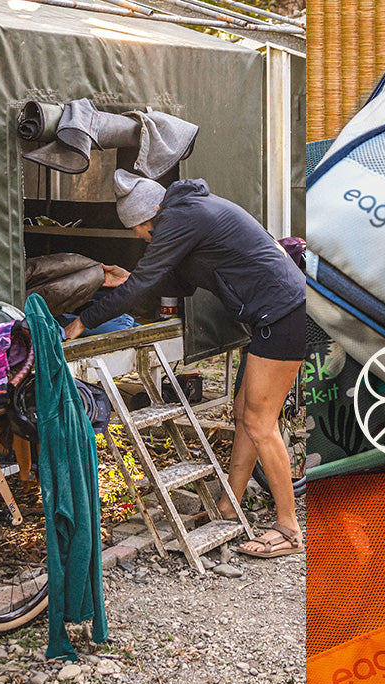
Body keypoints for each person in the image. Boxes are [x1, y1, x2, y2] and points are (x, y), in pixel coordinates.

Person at [64, 169, 306, 558]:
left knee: (261, 422)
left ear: (148, 217)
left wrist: (83, 321)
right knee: (246, 411)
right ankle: (229, 505)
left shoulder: (182, 217)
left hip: (283, 314)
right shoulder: (188, 211)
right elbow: (182, 282)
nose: (140, 239)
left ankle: (289, 528)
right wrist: (133, 277)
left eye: (139, 231)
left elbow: (143, 284)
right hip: (274, 313)